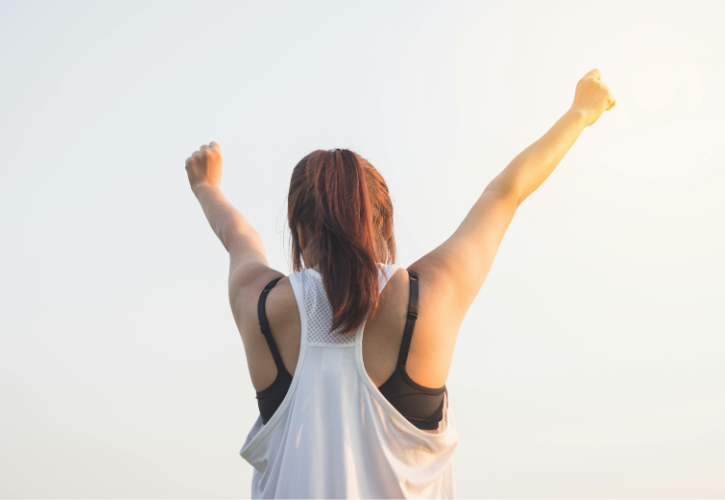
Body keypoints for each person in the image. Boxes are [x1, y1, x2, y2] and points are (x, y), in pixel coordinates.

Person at [185, 68, 615, 499]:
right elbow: (504, 193)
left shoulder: (260, 306)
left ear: (298, 233)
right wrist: (580, 112)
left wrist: (206, 185)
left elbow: (239, 236)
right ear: (385, 225)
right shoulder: (429, 298)